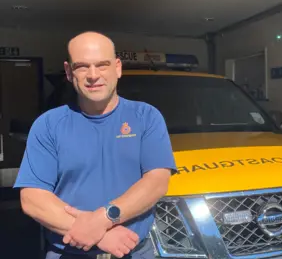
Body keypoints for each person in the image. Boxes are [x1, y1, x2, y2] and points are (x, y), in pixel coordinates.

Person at [13, 31, 177, 259]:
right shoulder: (48, 125)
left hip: (134, 253)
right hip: (68, 253)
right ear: (69, 72)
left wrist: (103, 218)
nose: (93, 75)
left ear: (117, 68)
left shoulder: (146, 117)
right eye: (82, 66)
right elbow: (32, 198)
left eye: (102, 65)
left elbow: (157, 182)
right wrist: (100, 235)